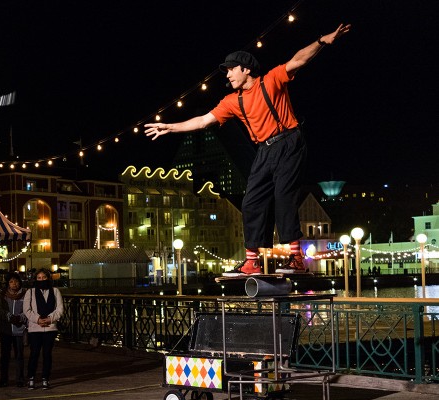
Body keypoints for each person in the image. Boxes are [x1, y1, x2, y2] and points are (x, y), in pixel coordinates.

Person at [145, 24, 351, 277]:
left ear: (246, 69)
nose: (227, 75)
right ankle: (252, 261)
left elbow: (298, 60)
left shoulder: (271, 80)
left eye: (231, 69)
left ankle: (296, 258)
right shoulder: (232, 101)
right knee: (251, 201)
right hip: (264, 150)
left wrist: (322, 41)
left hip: (289, 141)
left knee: (284, 196)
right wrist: (169, 127)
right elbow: (202, 121)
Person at [24, 269, 63, 390]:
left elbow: (60, 309)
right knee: (34, 353)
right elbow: (27, 309)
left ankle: (46, 378)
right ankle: (31, 378)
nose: (41, 280)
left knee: (47, 354)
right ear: (35, 279)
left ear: (48, 278)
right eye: (39, 278)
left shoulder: (55, 291)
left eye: (44, 277)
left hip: (50, 328)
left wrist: (50, 319)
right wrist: (38, 319)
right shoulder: (30, 292)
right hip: (35, 328)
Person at [0, 272, 27, 388]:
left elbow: (28, 309)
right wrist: (9, 316)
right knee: (5, 356)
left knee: (19, 355)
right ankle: (3, 379)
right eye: (11, 281)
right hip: (6, 330)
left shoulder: (25, 295)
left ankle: (19, 379)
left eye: (16, 281)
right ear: (8, 283)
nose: (14, 284)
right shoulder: (2, 295)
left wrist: (21, 317)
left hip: (19, 329)